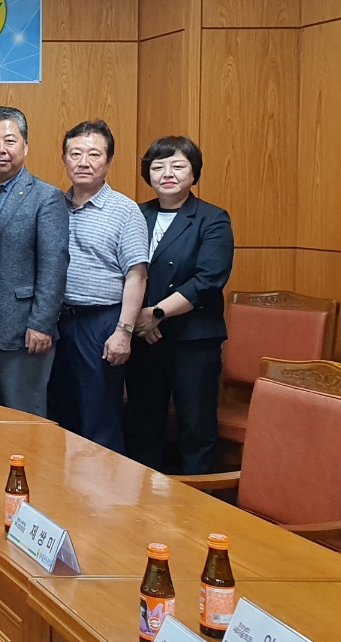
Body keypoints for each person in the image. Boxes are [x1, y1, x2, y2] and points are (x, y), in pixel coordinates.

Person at [124, 137, 233, 474]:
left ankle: (199, 503)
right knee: (142, 427)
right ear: (148, 174)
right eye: (158, 167)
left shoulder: (212, 219)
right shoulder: (135, 214)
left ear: (194, 173)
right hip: (143, 340)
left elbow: (207, 280)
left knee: (196, 429)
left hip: (192, 341)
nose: (167, 174)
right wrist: (138, 321)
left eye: (178, 166)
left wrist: (156, 314)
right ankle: (140, 501)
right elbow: (123, 271)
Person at [48, 120, 148, 454]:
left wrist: (124, 332)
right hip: (55, 323)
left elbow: (137, 275)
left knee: (98, 419)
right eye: (75, 153)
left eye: (94, 154)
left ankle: (103, 488)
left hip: (101, 324)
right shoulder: (52, 205)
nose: (83, 162)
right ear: (64, 159)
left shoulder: (124, 210)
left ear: (109, 162)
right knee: (58, 416)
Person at [0, 107, 69, 418]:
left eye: (9, 141)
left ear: (25, 146)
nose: (1, 149)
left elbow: (54, 265)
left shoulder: (46, 197)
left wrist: (41, 324)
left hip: (22, 330)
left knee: (23, 419)